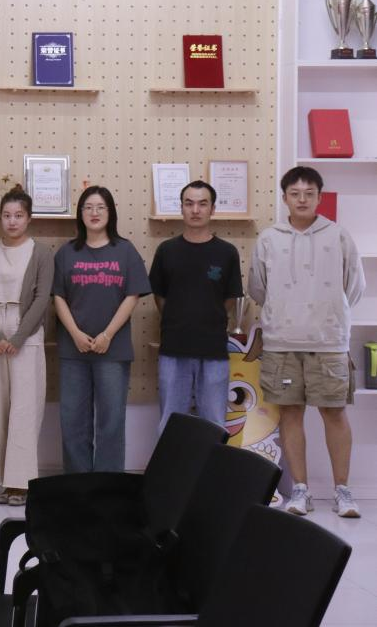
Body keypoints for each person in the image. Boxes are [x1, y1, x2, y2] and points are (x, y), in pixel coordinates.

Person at [248, 166, 366, 518]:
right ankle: (301, 490)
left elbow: (354, 287)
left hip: (329, 342)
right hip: (282, 342)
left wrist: (329, 313)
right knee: (291, 413)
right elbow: (258, 288)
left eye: (309, 193)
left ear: (319, 197)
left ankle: (343, 491)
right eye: (295, 193)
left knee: (334, 412)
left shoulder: (338, 236)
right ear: (284, 197)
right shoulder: (269, 238)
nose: (302, 199)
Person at [52, 185, 150, 473]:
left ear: (110, 212)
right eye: (88, 207)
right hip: (74, 350)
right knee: (73, 421)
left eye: (100, 207)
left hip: (113, 350)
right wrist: (75, 334)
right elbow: (58, 297)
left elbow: (132, 296)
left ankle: (108, 485)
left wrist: (107, 334)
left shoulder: (125, 250)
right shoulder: (66, 252)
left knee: (111, 421)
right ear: (80, 214)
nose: (94, 213)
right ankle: (78, 484)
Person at [0, 185, 53, 504]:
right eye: (7, 215)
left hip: (28, 331)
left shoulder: (42, 253)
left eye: (18, 215)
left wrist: (19, 337)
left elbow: (42, 298)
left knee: (25, 405)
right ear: (0, 218)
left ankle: (20, 484)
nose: (12, 221)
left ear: (29, 218)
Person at [149, 180, 242, 432]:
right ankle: (173, 461)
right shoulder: (166, 250)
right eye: (189, 204)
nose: (195, 210)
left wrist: (208, 320)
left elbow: (230, 299)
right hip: (173, 349)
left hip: (214, 351)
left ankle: (210, 462)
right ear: (181, 208)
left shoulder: (227, 252)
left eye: (202, 204)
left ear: (213, 209)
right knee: (170, 424)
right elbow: (159, 296)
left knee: (214, 424)